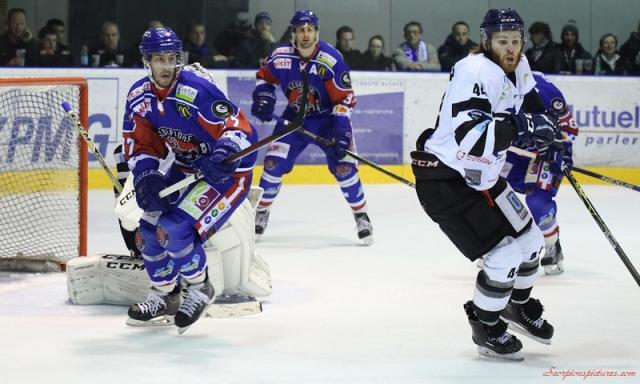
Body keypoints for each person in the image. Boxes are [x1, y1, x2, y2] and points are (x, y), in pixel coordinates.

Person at [411, 8, 557, 360]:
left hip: (484, 176)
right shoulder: (475, 72)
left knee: (533, 243)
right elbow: (473, 137)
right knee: (504, 255)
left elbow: (535, 109)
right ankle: (485, 326)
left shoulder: (517, 65)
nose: (510, 48)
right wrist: (525, 129)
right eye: (502, 41)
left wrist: (553, 139)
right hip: (447, 180)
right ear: (485, 41)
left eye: (515, 41)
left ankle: (515, 306)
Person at [121, 27, 258, 332]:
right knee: (146, 233)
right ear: (147, 61)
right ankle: (165, 294)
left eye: (172, 58)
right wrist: (146, 175)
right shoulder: (139, 96)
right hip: (185, 168)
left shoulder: (195, 90)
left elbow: (242, 130)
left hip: (226, 176)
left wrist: (224, 152)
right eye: (160, 59)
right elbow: (140, 143)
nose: (167, 66)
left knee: (174, 230)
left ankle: (199, 288)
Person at [250, 9, 373, 245]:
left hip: (328, 120)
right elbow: (264, 76)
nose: (305, 34)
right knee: (273, 164)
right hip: (294, 119)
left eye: (309, 29)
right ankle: (262, 211)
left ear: (316, 32)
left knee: (345, 168)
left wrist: (341, 128)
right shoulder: (281, 56)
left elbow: (345, 98)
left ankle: (361, 215)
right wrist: (263, 96)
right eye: (300, 30)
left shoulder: (331, 59)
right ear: (293, 33)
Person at [503, 72, 579, 276]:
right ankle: (501, 245)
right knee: (489, 189)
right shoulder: (489, 82)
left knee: (538, 201)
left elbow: (568, 131)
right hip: (515, 150)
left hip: (548, 152)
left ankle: (552, 244)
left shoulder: (546, 92)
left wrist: (555, 146)